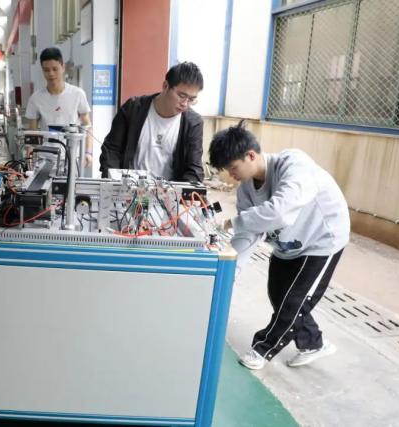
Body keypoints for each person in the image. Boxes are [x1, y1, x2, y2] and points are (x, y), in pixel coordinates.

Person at [208, 120, 350, 370]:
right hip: (287, 245)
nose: (230, 175)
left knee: (294, 301)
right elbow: (248, 233)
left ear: (251, 155)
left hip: (321, 240)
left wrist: (232, 222)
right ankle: (314, 343)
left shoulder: (294, 164)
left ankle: (263, 349)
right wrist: (229, 271)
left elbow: (280, 212)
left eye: (232, 167)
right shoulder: (245, 190)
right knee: (278, 295)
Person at [99, 62, 204, 182]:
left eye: (191, 99)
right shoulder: (133, 109)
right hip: (128, 188)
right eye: (181, 95)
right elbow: (111, 150)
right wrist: (114, 183)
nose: (185, 104)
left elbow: (194, 169)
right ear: (165, 86)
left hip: (169, 191)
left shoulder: (193, 123)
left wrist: (182, 191)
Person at [25, 47, 93, 172]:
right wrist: (29, 155)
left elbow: (87, 125)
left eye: (55, 69)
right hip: (44, 159)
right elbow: (32, 133)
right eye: (46, 70)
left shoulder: (77, 94)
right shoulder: (36, 98)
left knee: (71, 185)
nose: (51, 74)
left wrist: (88, 152)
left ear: (63, 67)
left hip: (72, 158)